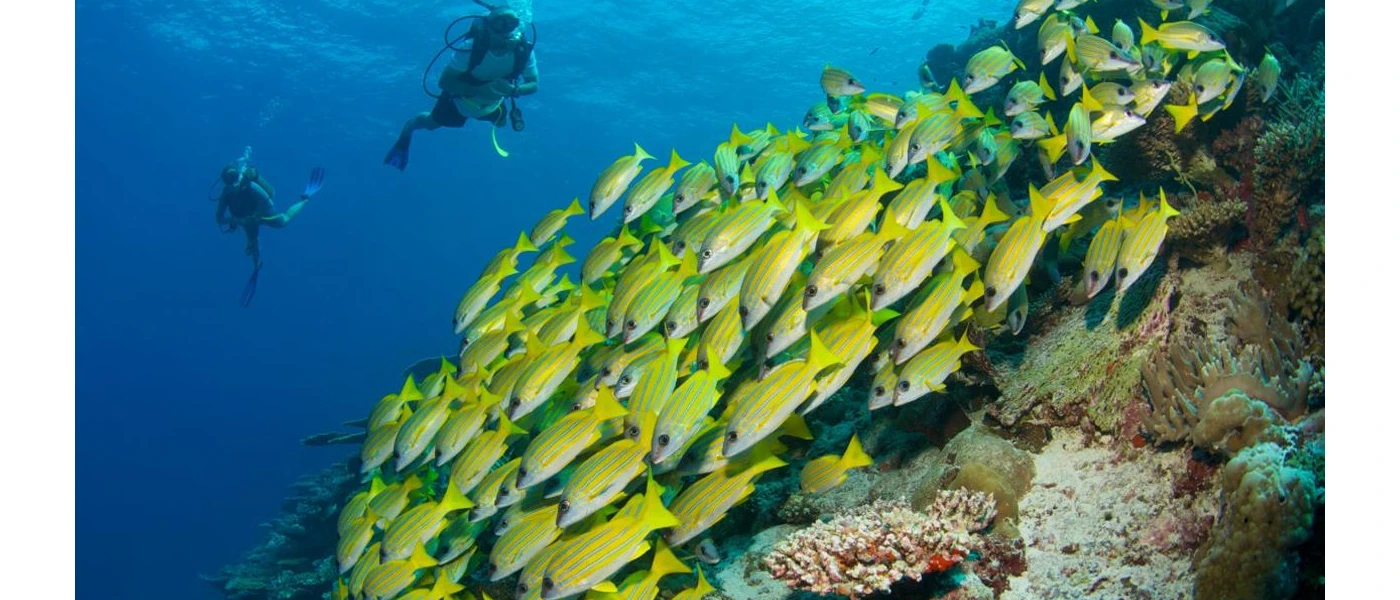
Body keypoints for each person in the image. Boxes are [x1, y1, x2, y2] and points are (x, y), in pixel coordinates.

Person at [384, 4, 539, 171]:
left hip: (491, 103)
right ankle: (409, 127)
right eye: (499, 23)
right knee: (431, 124)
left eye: (511, 24)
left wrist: (515, 90)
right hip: (458, 100)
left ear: (518, 25)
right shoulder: (472, 48)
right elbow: (444, 82)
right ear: (488, 26)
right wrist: (480, 90)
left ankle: (484, 120)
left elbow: (533, 84)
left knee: (501, 122)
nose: (504, 30)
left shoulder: (524, 51)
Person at [213, 155, 325, 306]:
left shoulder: (251, 186)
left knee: (283, 221)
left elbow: (269, 198)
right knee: (253, 242)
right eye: (228, 180)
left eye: (233, 178)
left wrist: (258, 217)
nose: (232, 183)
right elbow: (219, 218)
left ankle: (305, 198)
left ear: (238, 176)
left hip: (260, 211)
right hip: (245, 218)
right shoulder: (226, 194)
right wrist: (239, 221)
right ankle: (257, 264)